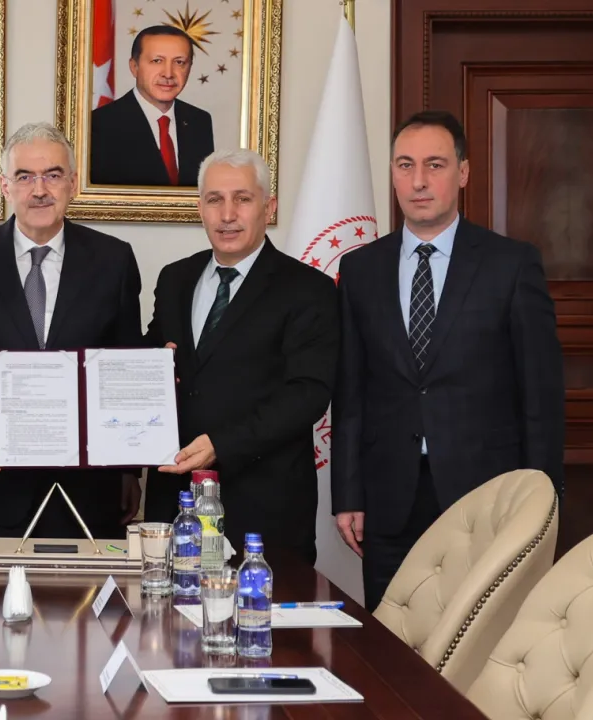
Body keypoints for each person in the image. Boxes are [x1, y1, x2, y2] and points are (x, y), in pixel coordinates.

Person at [332, 110, 565, 611]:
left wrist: (540, 502)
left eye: (434, 165)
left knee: (478, 642)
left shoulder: (511, 264)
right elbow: (350, 392)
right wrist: (347, 494)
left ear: (463, 172)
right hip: (387, 498)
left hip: (489, 496)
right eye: (405, 165)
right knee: (389, 640)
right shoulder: (360, 268)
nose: (418, 181)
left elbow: (540, 397)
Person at [0, 122, 143, 541]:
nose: (40, 189)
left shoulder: (114, 260)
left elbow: (126, 368)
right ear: (5, 186)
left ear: (72, 184)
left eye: (53, 175)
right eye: (25, 176)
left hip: (90, 488)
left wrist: (128, 471)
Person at [144, 149, 337, 564]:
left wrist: (222, 445)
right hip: (174, 501)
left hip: (265, 510)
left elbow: (308, 394)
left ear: (269, 207)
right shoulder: (175, 278)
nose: (227, 214)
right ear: (200, 208)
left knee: (267, 610)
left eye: (242, 199)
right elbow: (153, 359)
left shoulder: (308, 289)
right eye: (214, 199)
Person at [90, 26, 214, 187]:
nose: (168, 74)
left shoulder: (199, 121)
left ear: (189, 68)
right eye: (157, 61)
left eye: (179, 62)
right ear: (134, 67)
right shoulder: (99, 124)